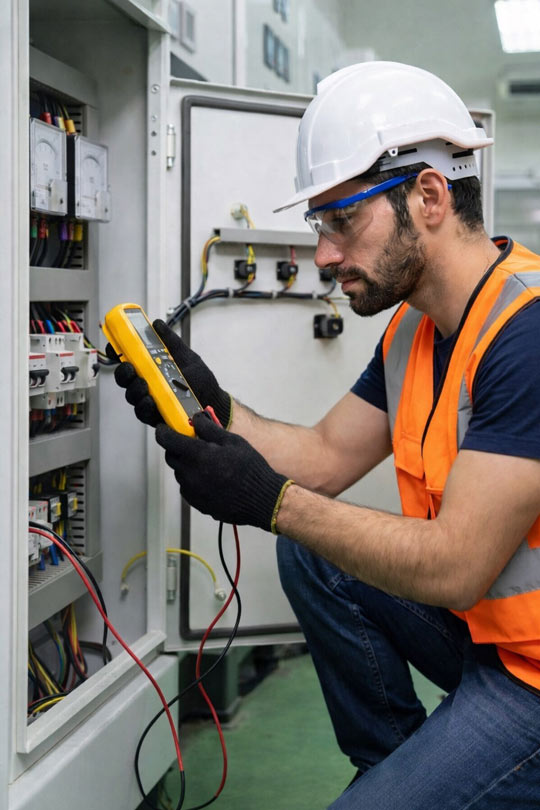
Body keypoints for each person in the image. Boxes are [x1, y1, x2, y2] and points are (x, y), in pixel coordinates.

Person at [112, 62, 540, 808]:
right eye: (322, 226)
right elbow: (326, 457)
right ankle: (394, 770)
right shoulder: (414, 331)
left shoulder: (526, 335)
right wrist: (213, 408)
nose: (325, 255)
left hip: (532, 678)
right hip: (494, 641)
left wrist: (270, 501)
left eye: (343, 220)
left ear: (429, 196)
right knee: (314, 555)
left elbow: (456, 568)